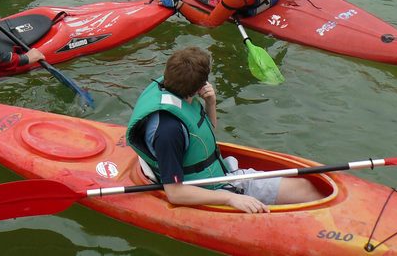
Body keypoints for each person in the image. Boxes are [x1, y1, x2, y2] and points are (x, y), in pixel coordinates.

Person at [126, 47, 321, 212]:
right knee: (305, 191)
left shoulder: (173, 87)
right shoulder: (169, 131)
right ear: (198, 86)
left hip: (220, 172)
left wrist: (211, 103)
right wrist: (230, 199)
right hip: (213, 188)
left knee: (306, 187)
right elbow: (175, 193)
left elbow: (202, 134)